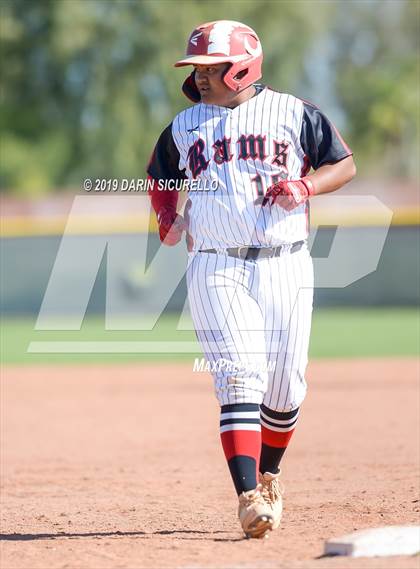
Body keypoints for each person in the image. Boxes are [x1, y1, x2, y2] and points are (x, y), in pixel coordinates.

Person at [147, 20, 356, 539]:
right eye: (196, 69)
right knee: (240, 375)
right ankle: (247, 497)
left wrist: (305, 185)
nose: (200, 78)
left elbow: (344, 165)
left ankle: (269, 476)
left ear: (241, 67)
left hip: (285, 261)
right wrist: (166, 215)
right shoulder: (185, 126)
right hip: (217, 263)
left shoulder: (294, 113)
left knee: (285, 389)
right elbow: (159, 176)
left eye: (211, 68)